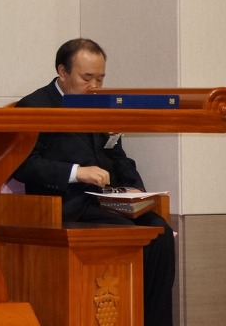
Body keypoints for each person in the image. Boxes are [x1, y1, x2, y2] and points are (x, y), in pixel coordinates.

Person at [12, 38, 175, 326]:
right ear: (63, 71)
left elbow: (117, 155)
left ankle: (152, 320)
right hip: (65, 204)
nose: (95, 86)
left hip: (106, 200)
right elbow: (24, 165)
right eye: (87, 78)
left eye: (100, 78)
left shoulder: (101, 104)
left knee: (159, 232)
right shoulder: (34, 106)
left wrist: (134, 187)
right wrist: (76, 172)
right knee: (131, 235)